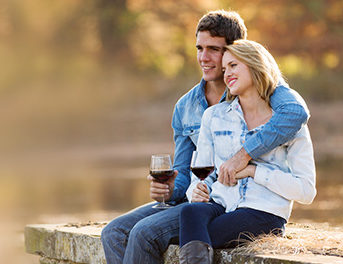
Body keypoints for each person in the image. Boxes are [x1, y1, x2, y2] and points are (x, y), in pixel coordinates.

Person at [101, 10, 310, 264]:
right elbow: (184, 176)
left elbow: (297, 113)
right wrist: (168, 189)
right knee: (113, 232)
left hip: (231, 205)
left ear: (237, 51)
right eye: (199, 48)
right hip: (199, 202)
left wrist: (243, 158)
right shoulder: (186, 107)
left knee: (145, 233)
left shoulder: (271, 94)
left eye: (213, 49)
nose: (204, 57)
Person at [179, 40, 317, 264]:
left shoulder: (287, 124)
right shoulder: (214, 116)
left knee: (194, 233)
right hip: (221, 205)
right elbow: (200, 174)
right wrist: (196, 190)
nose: (227, 74)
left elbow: (306, 191)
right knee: (190, 213)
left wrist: (254, 171)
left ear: (255, 65)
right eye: (224, 69)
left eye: (233, 66)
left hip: (263, 212)